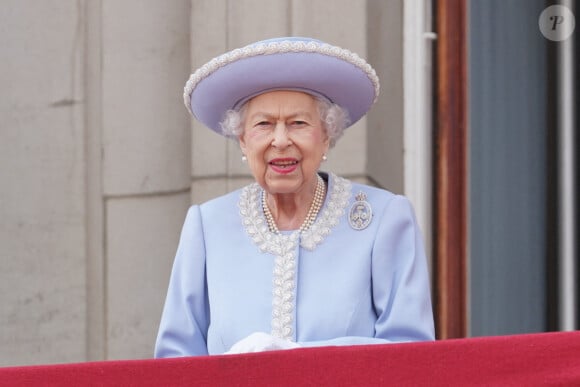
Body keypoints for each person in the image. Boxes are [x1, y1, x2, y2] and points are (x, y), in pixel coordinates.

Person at [154, 36, 435, 357]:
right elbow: (175, 361)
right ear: (243, 140)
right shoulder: (207, 225)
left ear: (327, 136)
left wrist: (299, 355)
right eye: (263, 124)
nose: (281, 140)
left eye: (298, 123)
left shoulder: (384, 218)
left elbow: (411, 352)